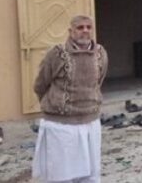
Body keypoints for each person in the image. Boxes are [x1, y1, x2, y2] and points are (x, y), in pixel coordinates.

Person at [32, 15, 108, 183]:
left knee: (90, 175)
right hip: (61, 126)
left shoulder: (100, 53)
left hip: (90, 123)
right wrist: (56, 104)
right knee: (61, 175)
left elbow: (98, 82)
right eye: (80, 27)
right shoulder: (56, 54)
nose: (85, 31)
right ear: (71, 31)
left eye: (88, 27)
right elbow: (40, 85)